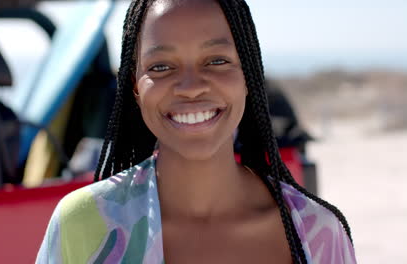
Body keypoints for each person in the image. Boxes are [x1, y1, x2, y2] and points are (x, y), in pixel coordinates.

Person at [36, 0, 357, 263]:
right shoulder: (83, 225)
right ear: (135, 86)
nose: (190, 88)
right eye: (161, 66)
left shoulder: (316, 235)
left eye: (216, 60)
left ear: (248, 76)